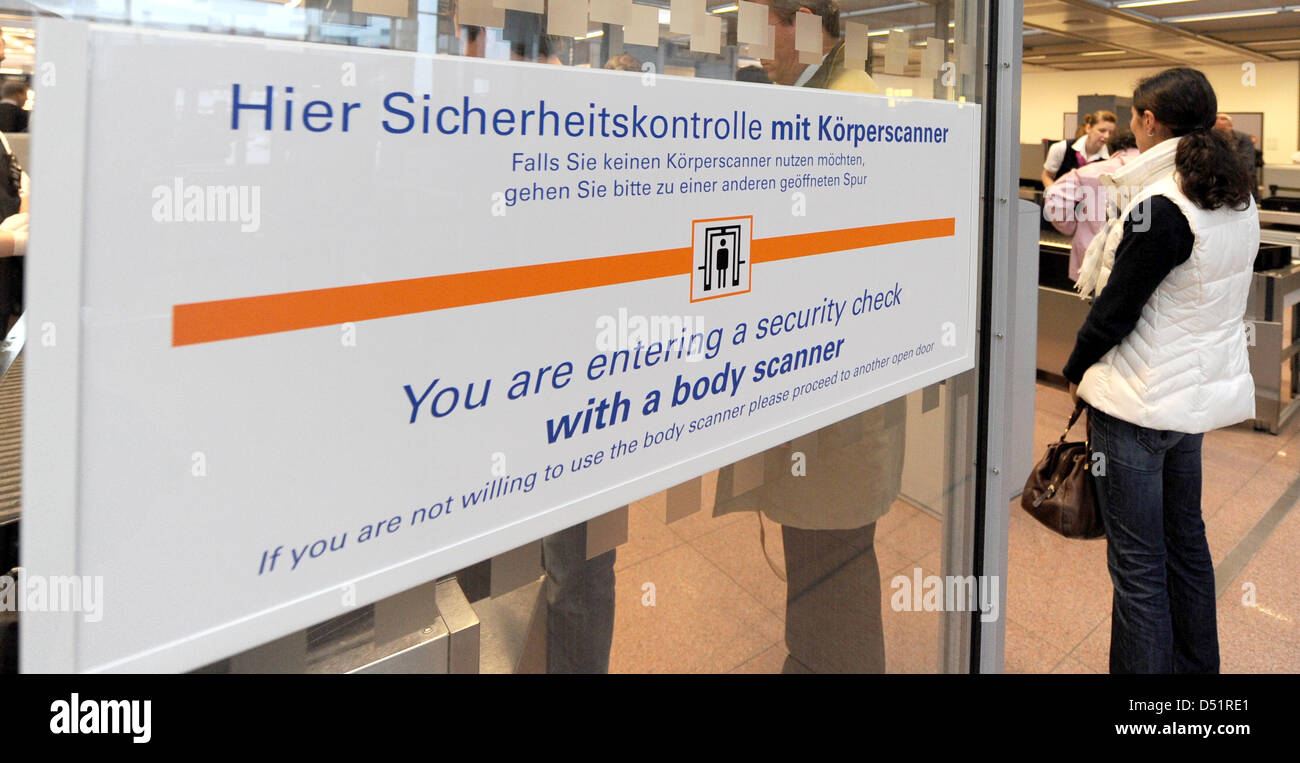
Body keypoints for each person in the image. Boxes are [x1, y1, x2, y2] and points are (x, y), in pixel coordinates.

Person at [713, 0, 902, 674]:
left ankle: (830, 663)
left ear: (810, 26)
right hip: (818, 369)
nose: (753, 40)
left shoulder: (841, 104)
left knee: (832, 552)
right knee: (821, 548)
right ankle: (814, 657)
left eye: (767, 22)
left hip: (832, 380)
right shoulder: (818, 93)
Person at [1063, 68, 1257, 674]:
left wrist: (1076, 368)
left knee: (1139, 568)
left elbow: (1117, 307)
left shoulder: (1161, 206)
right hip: (1189, 404)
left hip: (1136, 407)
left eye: (1134, 118)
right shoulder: (1234, 196)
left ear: (1149, 122)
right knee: (1186, 549)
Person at [1043, 131, 1138, 281]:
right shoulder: (1162, 171)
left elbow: (1055, 195)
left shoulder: (1089, 172)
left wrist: (1071, 227)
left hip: (1095, 261)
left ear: (1112, 150)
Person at [1042, 110, 1115, 189]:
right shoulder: (1061, 148)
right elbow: (1046, 176)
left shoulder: (1111, 158)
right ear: (1088, 128)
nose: (1107, 136)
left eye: (1110, 133)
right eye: (1102, 131)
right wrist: (1054, 194)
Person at [1213, 112, 1261, 200]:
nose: (1219, 120)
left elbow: (1246, 163)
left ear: (1230, 125)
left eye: (1223, 118)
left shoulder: (1243, 138)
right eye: (1217, 118)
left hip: (1240, 185)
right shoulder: (1208, 138)